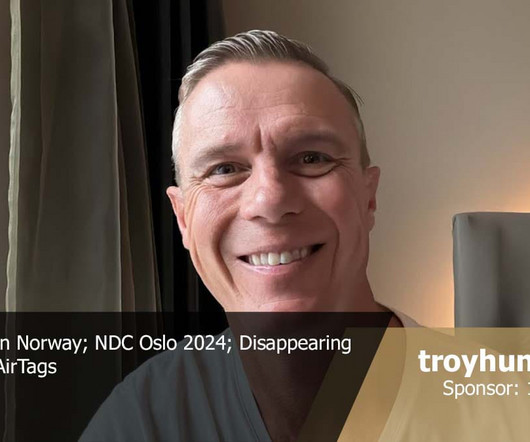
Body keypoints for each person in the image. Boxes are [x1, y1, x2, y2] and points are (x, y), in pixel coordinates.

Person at [80, 29, 414, 442]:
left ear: (369, 197)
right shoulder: (141, 416)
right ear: (183, 218)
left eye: (312, 158)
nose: (269, 200)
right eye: (223, 169)